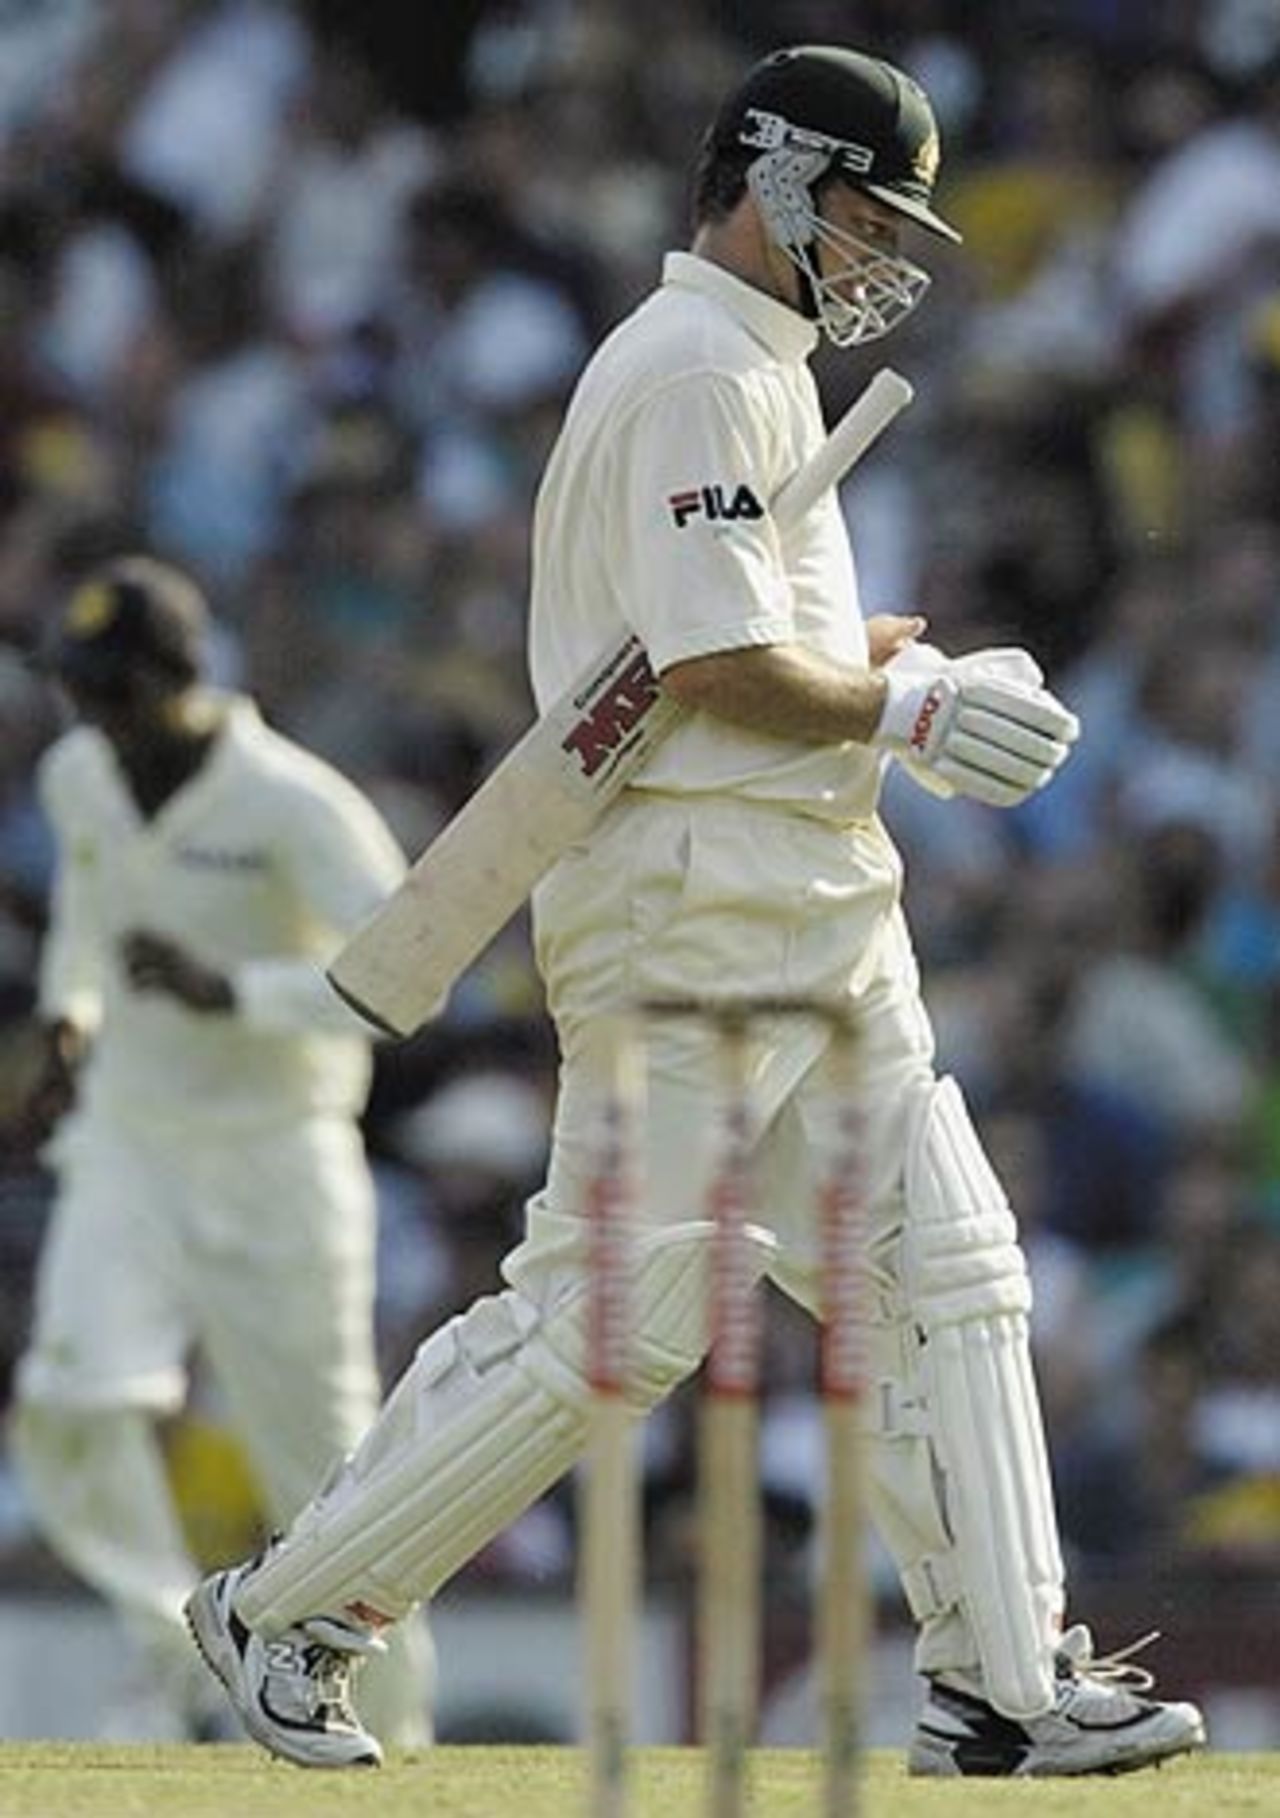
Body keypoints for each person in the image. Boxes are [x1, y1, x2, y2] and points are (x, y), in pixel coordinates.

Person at [185, 46, 1207, 1776]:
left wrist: (912, 665)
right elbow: (708, 661)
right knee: (622, 1320)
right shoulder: (687, 373)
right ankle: (288, 1606)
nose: (888, 249)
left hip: (813, 904)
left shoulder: (758, 370)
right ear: (778, 175)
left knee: (941, 1271)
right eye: (872, 208)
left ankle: (1001, 1684)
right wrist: (907, 713)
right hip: (693, 919)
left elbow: (755, 643)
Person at [10, 555, 433, 1746]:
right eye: (77, 689)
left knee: (328, 1471)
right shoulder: (80, 775)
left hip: (277, 1156)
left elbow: (404, 978)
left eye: (111, 690)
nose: (89, 716)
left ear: (178, 681)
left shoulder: (296, 805)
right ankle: (186, 1654)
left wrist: (235, 990)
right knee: (71, 1404)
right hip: (133, 1142)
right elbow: (86, 925)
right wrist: (72, 1018)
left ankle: (396, 1732)